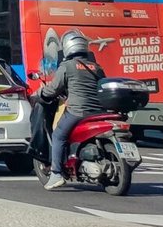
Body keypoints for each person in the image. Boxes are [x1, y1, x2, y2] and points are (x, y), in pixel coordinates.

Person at [40, 30, 113, 190]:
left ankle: (56, 173)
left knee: (59, 135)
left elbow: (53, 89)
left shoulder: (67, 66)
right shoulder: (96, 67)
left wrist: (41, 93)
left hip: (78, 111)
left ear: (67, 47)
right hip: (99, 111)